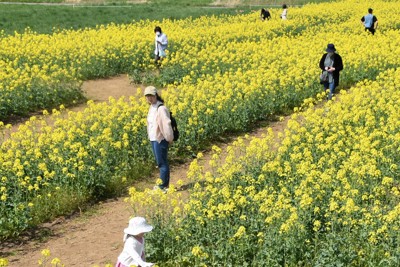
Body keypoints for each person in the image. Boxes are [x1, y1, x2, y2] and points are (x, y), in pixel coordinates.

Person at [144, 86, 174, 191]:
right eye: (147, 96)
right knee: (160, 162)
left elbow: (167, 124)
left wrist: (169, 138)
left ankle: (163, 186)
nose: (150, 98)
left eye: (151, 95)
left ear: (156, 95)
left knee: (162, 162)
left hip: (160, 139)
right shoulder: (152, 107)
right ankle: (164, 184)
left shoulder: (161, 108)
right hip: (153, 139)